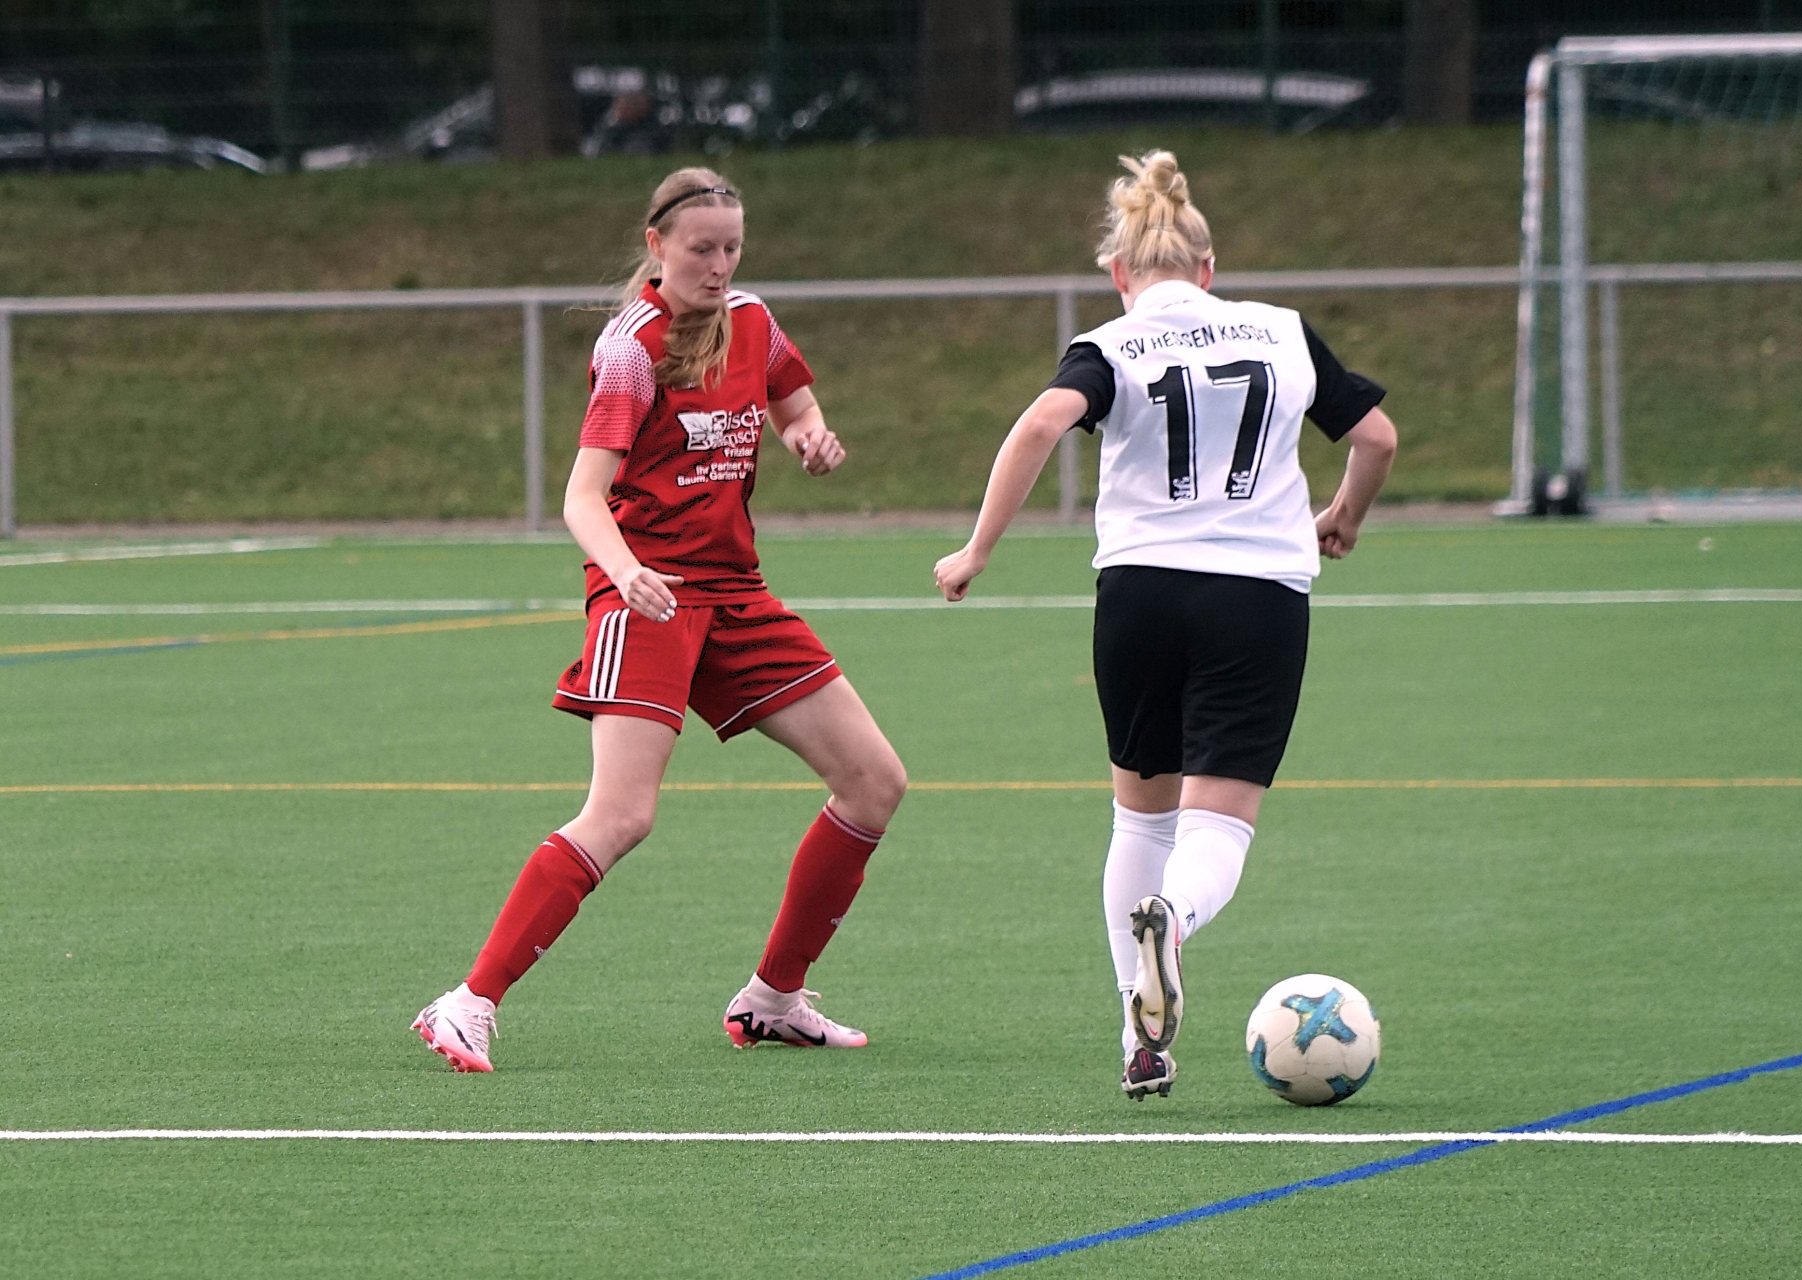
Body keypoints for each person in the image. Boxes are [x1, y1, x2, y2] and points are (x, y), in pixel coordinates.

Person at [413, 167, 908, 1072]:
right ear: (656, 246)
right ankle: (467, 1002)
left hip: (736, 593)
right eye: (701, 249)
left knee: (874, 781)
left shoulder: (753, 320)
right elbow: (582, 496)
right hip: (646, 592)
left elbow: (794, 401)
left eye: (732, 249)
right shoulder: (632, 349)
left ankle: (773, 999)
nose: (719, 266)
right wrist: (627, 571)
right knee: (622, 815)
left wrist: (807, 435)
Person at [935, 151, 1396, 1101]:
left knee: (1138, 817)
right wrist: (1345, 516)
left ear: (1119, 274)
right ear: (1209, 267)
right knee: (1218, 823)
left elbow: (1039, 426)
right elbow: (1377, 437)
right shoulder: (1281, 332)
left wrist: (977, 549)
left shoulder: (1109, 346)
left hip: (1139, 593)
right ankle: (1173, 922)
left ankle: (1138, 1039)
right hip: (1255, 595)